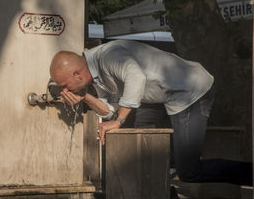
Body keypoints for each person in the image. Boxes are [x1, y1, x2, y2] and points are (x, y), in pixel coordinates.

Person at [50, 39, 252, 186]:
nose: (65, 90)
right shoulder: (96, 75)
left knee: (189, 170)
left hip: (191, 91)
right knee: (186, 169)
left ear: (77, 74)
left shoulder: (109, 55)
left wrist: (119, 121)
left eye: (65, 85)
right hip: (172, 99)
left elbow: (136, 77)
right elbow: (109, 109)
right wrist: (85, 96)